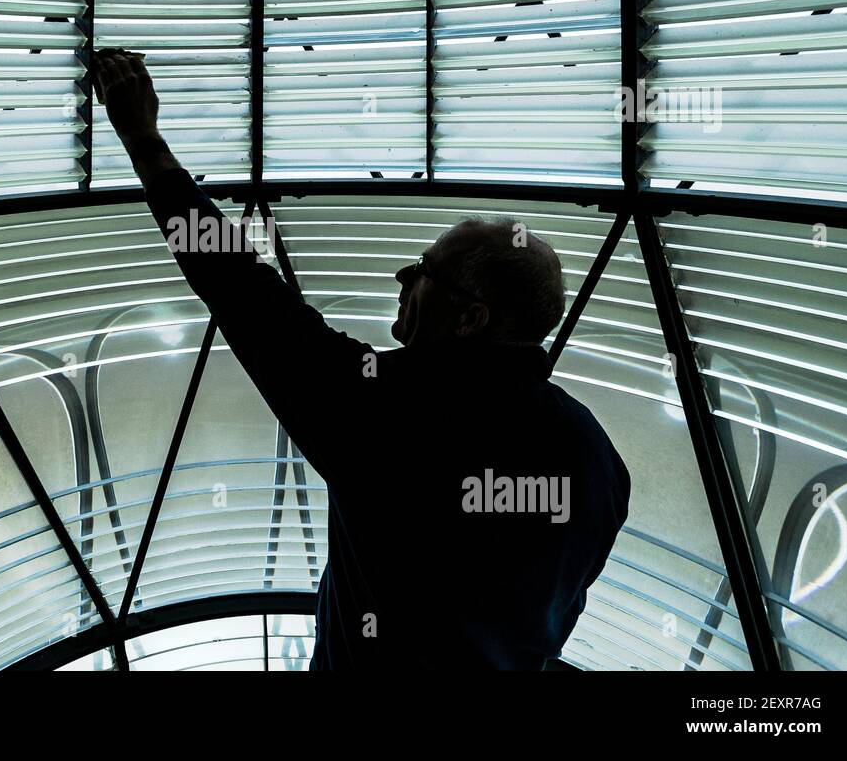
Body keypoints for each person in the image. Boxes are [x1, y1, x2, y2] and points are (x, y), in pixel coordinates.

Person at [91, 48, 631, 671]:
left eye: (426, 270)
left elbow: (241, 289)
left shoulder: (388, 411)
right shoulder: (596, 458)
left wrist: (145, 142)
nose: (403, 275)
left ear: (469, 319)